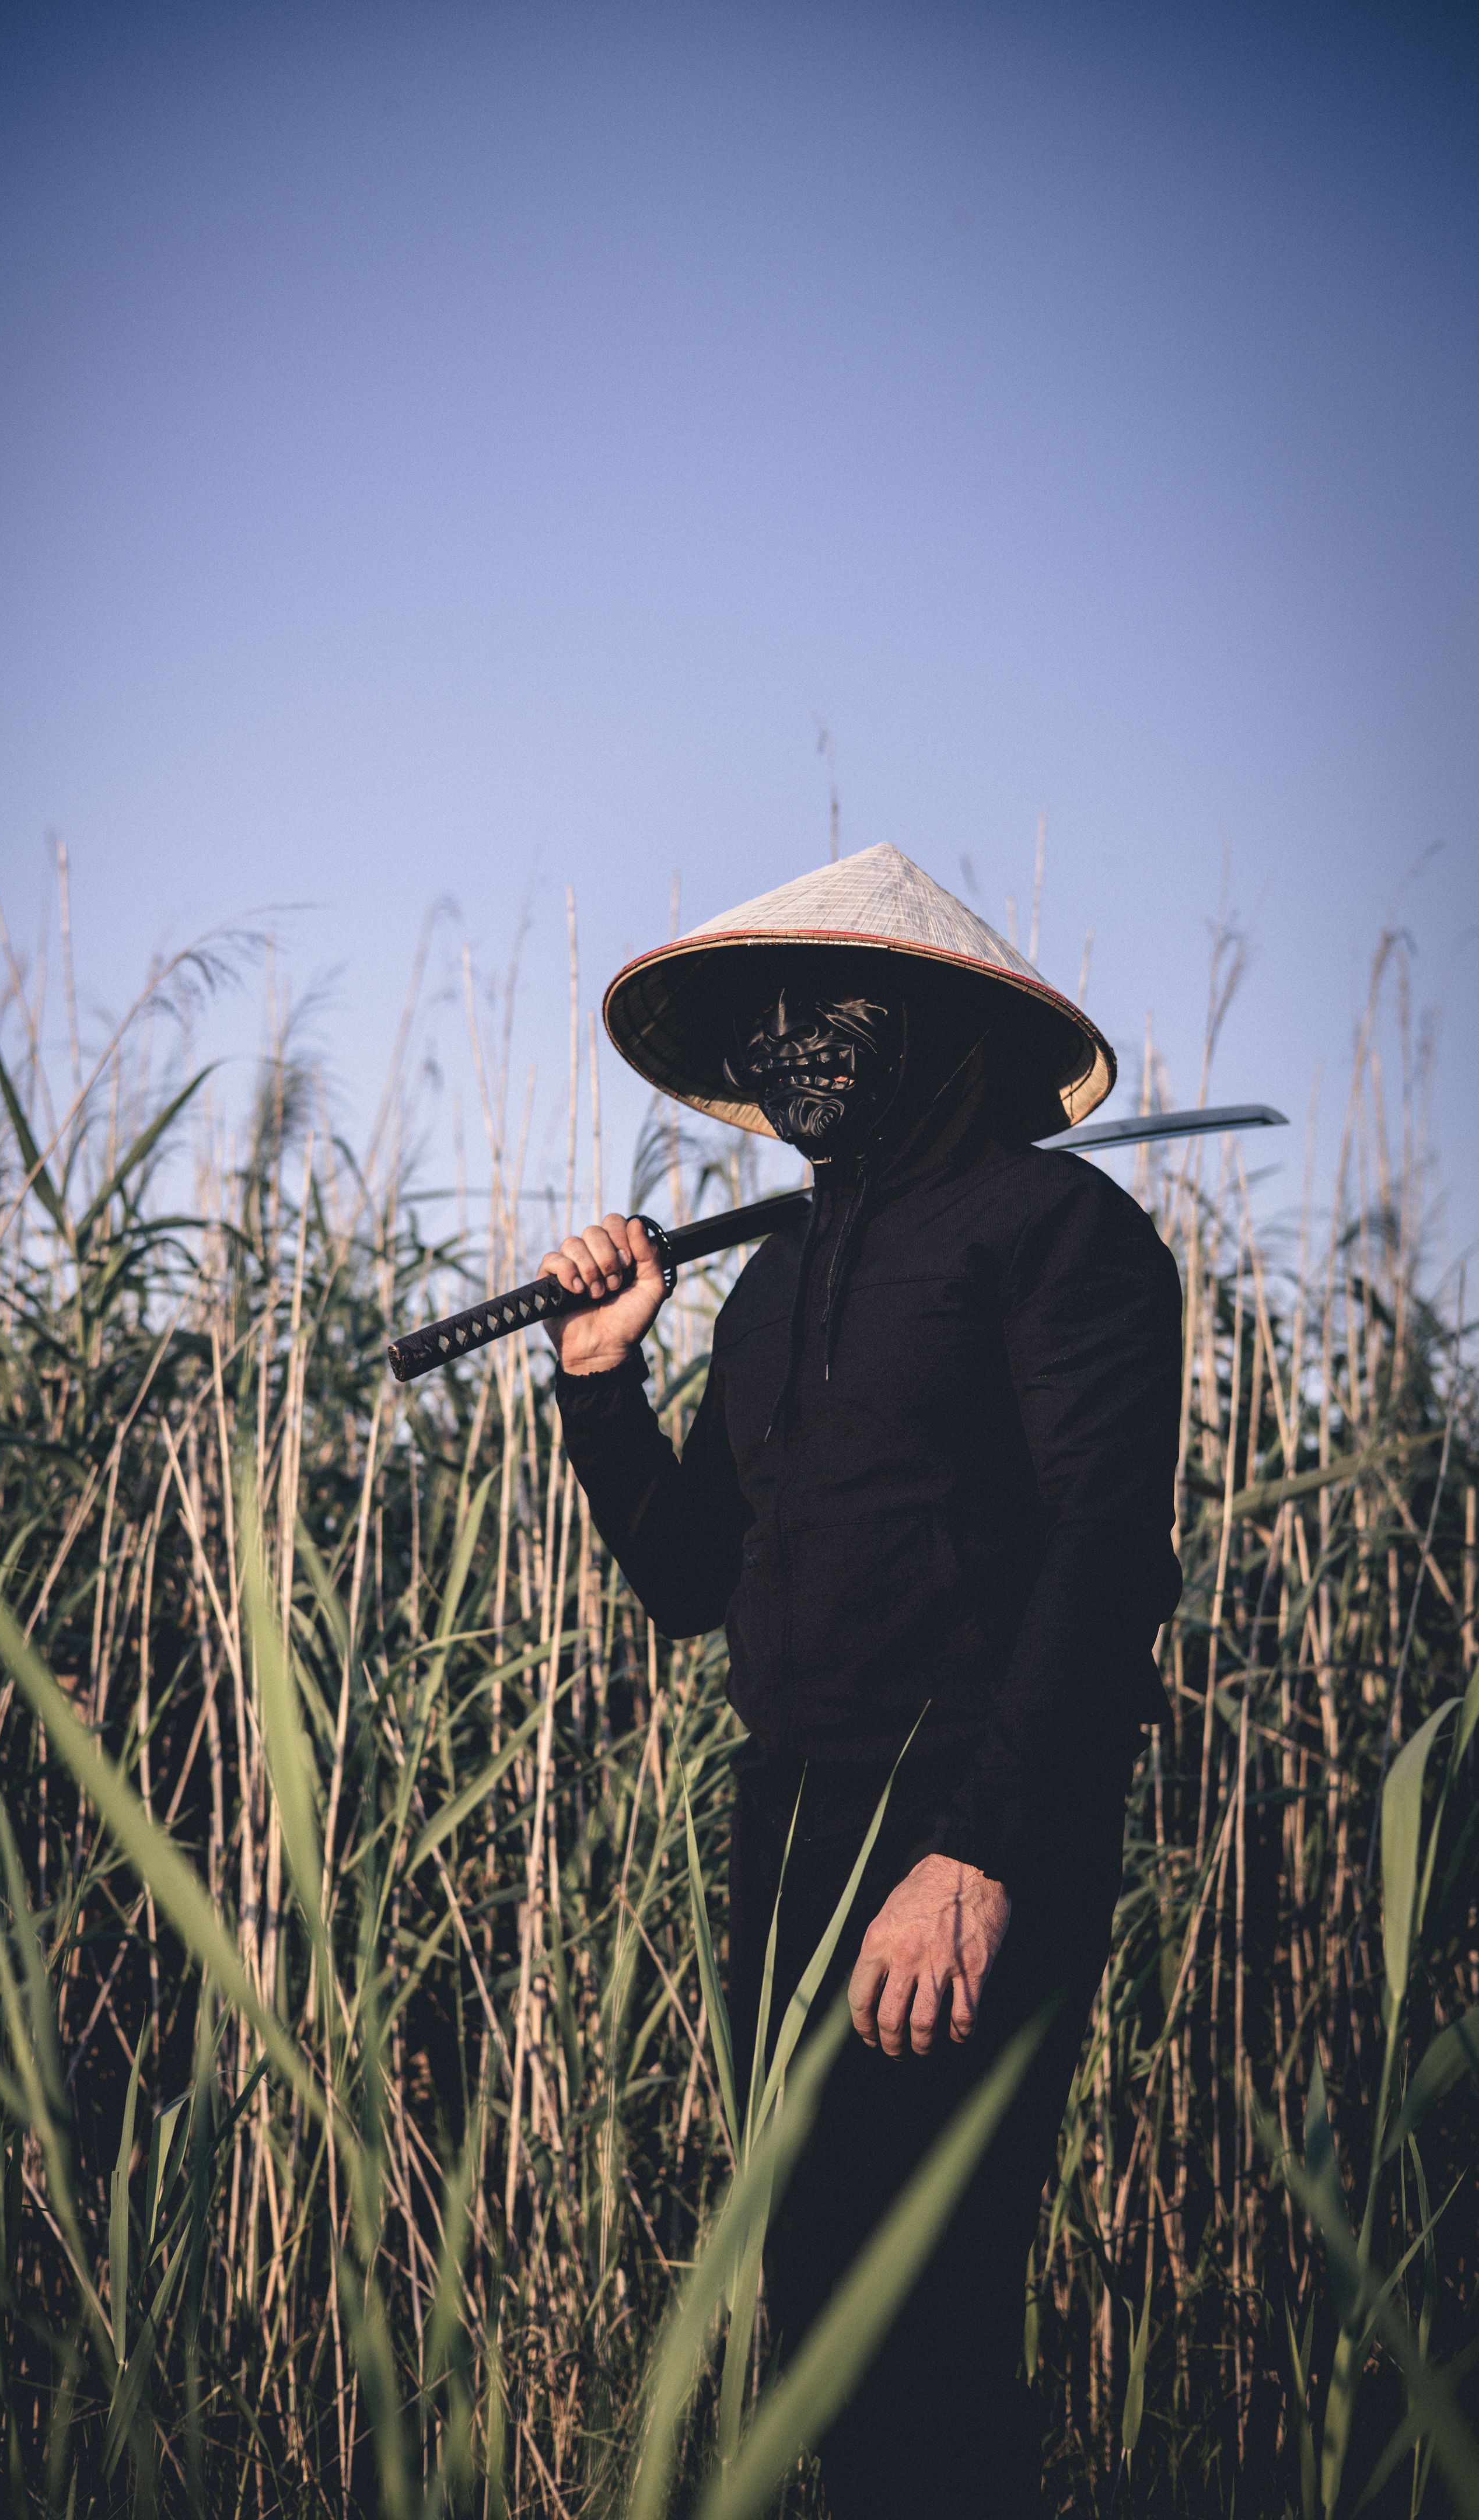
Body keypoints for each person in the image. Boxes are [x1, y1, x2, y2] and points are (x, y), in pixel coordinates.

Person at [541, 842, 1182, 2518]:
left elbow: (1107, 1559)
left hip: (970, 1823)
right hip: (791, 1826)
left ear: (921, 1020)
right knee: (817, 2303)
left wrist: (973, 1855)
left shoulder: (1056, 1234)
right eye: (752, 1023)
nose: (780, 1044)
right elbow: (689, 1582)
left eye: (815, 1007)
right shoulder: (765, 1293)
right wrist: (602, 1389)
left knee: (930, 2307)